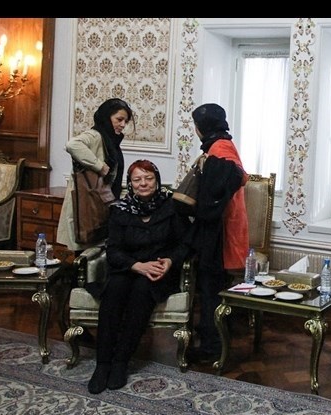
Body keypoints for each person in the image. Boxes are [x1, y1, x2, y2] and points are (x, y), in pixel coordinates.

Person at [87, 159, 192, 394]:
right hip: (128, 268)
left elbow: (185, 244)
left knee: (142, 291)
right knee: (114, 290)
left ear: (157, 180)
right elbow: (113, 251)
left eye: (148, 178)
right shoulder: (120, 210)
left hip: (157, 272)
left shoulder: (172, 207)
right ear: (130, 183)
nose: (143, 183)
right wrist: (136, 266)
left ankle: (120, 362)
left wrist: (170, 261)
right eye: (137, 179)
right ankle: (102, 364)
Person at [186, 103, 248, 363]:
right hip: (223, 228)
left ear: (201, 128)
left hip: (219, 232)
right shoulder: (223, 146)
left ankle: (211, 346)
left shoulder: (219, 151)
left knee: (210, 288)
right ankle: (214, 336)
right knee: (212, 286)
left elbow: (212, 198)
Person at [57, 98, 135, 253]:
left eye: (125, 122)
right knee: (86, 254)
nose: (122, 125)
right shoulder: (95, 135)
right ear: (107, 117)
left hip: (99, 204)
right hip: (88, 206)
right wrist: (99, 166)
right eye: (119, 119)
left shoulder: (111, 140)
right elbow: (72, 144)